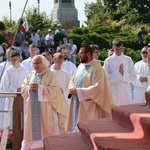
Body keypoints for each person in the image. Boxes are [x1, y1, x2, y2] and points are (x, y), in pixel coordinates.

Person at [21, 55, 66, 150]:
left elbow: (55, 91)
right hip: (32, 110)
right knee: (30, 133)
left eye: (38, 63)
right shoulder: (31, 74)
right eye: (34, 63)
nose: (36, 65)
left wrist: (40, 88)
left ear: (44, 63)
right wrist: (29, 88)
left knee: (47, 132)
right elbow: (23, 87)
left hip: (46, 109)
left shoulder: (50, 74)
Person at [66, 45, 114, 132]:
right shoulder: (81, 66)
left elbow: (98, 87)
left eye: (81, 53)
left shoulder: (97, 68)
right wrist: (72, 87)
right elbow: (72, 80)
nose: (79, 55)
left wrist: (79, 91)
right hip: (76, 103)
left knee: (86, 131)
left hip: (89, 106)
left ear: (88, 54)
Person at [0, 51, 28, 131]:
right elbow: (4, 87)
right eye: (11, 60)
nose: (13, 62)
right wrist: (16, 89)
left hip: (22, 99)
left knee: (22, 117)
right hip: (11, 99)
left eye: (15, 59)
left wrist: (23, 89)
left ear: (19, 59)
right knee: (10, 118)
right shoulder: (8, 71)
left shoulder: (24, 70)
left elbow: (28, 83)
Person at [103, 39, 136, 106]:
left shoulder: (128, 60)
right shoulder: (108, 61)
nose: (118, 51)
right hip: (113, 89)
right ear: (113, 48)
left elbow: (133, 77)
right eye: (116, 49)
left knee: (126, 110)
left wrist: (123, 73)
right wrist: (118, 73)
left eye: (120, 49)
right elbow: (106, 77)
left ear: (122, 47)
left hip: (125, 90)